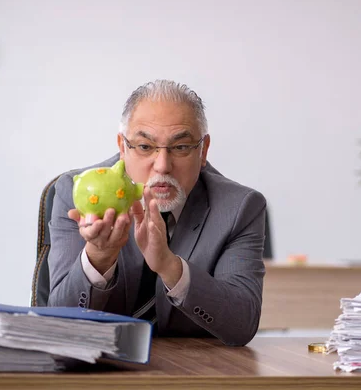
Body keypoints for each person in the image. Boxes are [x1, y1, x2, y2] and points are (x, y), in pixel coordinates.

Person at [47, 80, 267, 346]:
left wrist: (169, 266)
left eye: (181, 147)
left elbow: (241, 325)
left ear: (203, 150)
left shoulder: (239, 208)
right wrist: (99, 257)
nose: (162, 166)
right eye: (145, 146)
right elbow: (58, 323)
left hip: (194, 374)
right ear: (122, 146)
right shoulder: (77, 192)